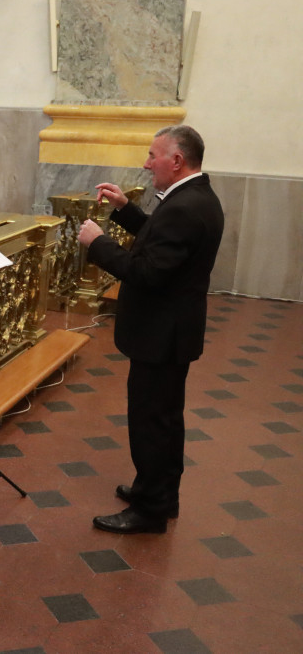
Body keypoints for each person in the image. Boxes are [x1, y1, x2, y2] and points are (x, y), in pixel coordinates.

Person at [77, 125, 224, 534]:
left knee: (151, 421)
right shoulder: (196, 197)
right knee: (164, 419)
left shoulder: (183, 206)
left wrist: (98, 242)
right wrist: (126, 209)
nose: (146, 163)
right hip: (171, 331)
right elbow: (160, 244)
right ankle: (158, 491)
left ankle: (150, 510)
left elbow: (147, 272)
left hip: (161, 334)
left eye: (152, 155)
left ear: (176, 161)